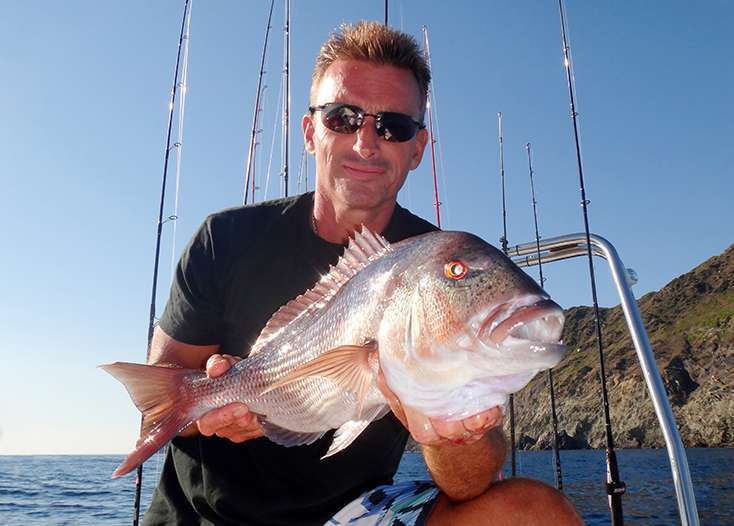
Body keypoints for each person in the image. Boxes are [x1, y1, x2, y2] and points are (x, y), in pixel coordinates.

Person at [143, 21, 582, 526]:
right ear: (311, 132)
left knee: (534, 513)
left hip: (355, 513)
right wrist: (212, 409)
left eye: (393, 125)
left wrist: (449, 431)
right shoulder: (224, 239)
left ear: (417, 147)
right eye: (343, 117)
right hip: (205, 517)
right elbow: (159, 405)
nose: (367, 142)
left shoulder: (430, 258)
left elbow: (468, 485)